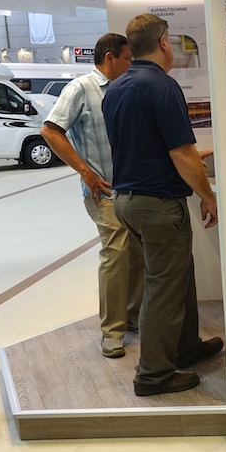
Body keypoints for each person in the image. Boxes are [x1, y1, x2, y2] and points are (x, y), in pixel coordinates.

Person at [102, 13, 222, 396]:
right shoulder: (163, 87)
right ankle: (153, 375)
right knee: (163, 287)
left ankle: (185, 348)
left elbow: (139, 145)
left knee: (177, 275)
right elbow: (181, 153)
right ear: (165, 42)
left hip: (127, 201)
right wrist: (208, 197)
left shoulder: (116, 88)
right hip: (158, 204)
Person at [40, 33, 143, 359]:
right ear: (110, 57)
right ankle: (112, 333)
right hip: (103, 193)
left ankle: (132, 316)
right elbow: (50, 131)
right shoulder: (81, 89)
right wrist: (85, 172)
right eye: (127, 59)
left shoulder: (126, 89)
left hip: (132, 189)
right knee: (116, 256)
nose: (131, 64)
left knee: (137, 255)